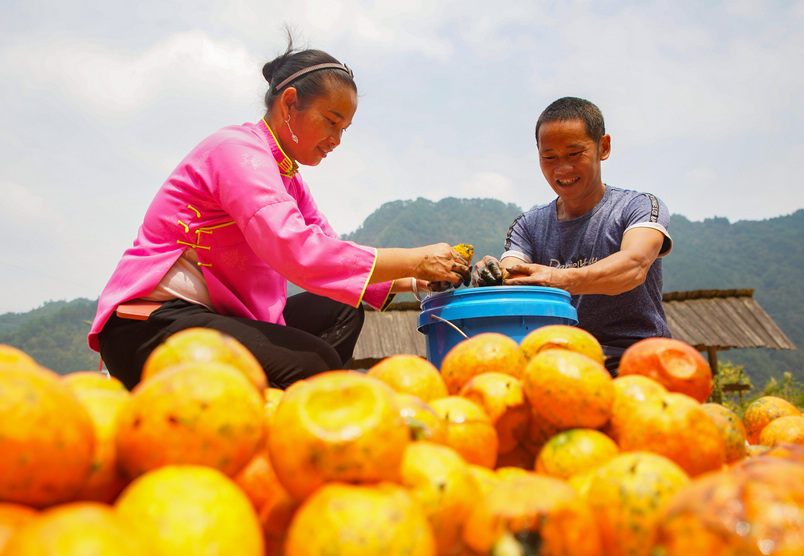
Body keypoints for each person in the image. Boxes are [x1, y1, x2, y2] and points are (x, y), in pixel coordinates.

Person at [88, 37, 470, 390]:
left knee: (343, 309)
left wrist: (423, 278)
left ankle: (282, 411)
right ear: (289, 103)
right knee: (314, 362)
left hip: (214, 315)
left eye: (345, 128)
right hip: (149, 324)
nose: (337, 140)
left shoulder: (287, 176)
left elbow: (330, 254)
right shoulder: (237, 152)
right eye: (331, 121)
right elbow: (298, 253)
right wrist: (416, 260)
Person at [471, 97, 672, 374]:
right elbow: (512, 278)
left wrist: (557, 279)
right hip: (559, 363)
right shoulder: (528, 225)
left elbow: (634, 266)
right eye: (549, 157)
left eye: (574, 154)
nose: (562, 169)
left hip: (636, 358)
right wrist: (492, 278)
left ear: (603, 147)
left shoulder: (638, 207)